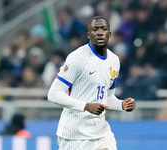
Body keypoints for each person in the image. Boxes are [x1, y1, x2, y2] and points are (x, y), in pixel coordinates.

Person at [48, 16, 135, 150]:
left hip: (101, 133)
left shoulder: (114, 60)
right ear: (89, 35)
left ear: (110, 34)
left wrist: (122, 105)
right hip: (75, 135)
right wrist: (86, 106)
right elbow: (54, 94)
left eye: (104, 29)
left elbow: (107, 97)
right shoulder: (77, 58)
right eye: (95, 29)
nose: (100, 32)